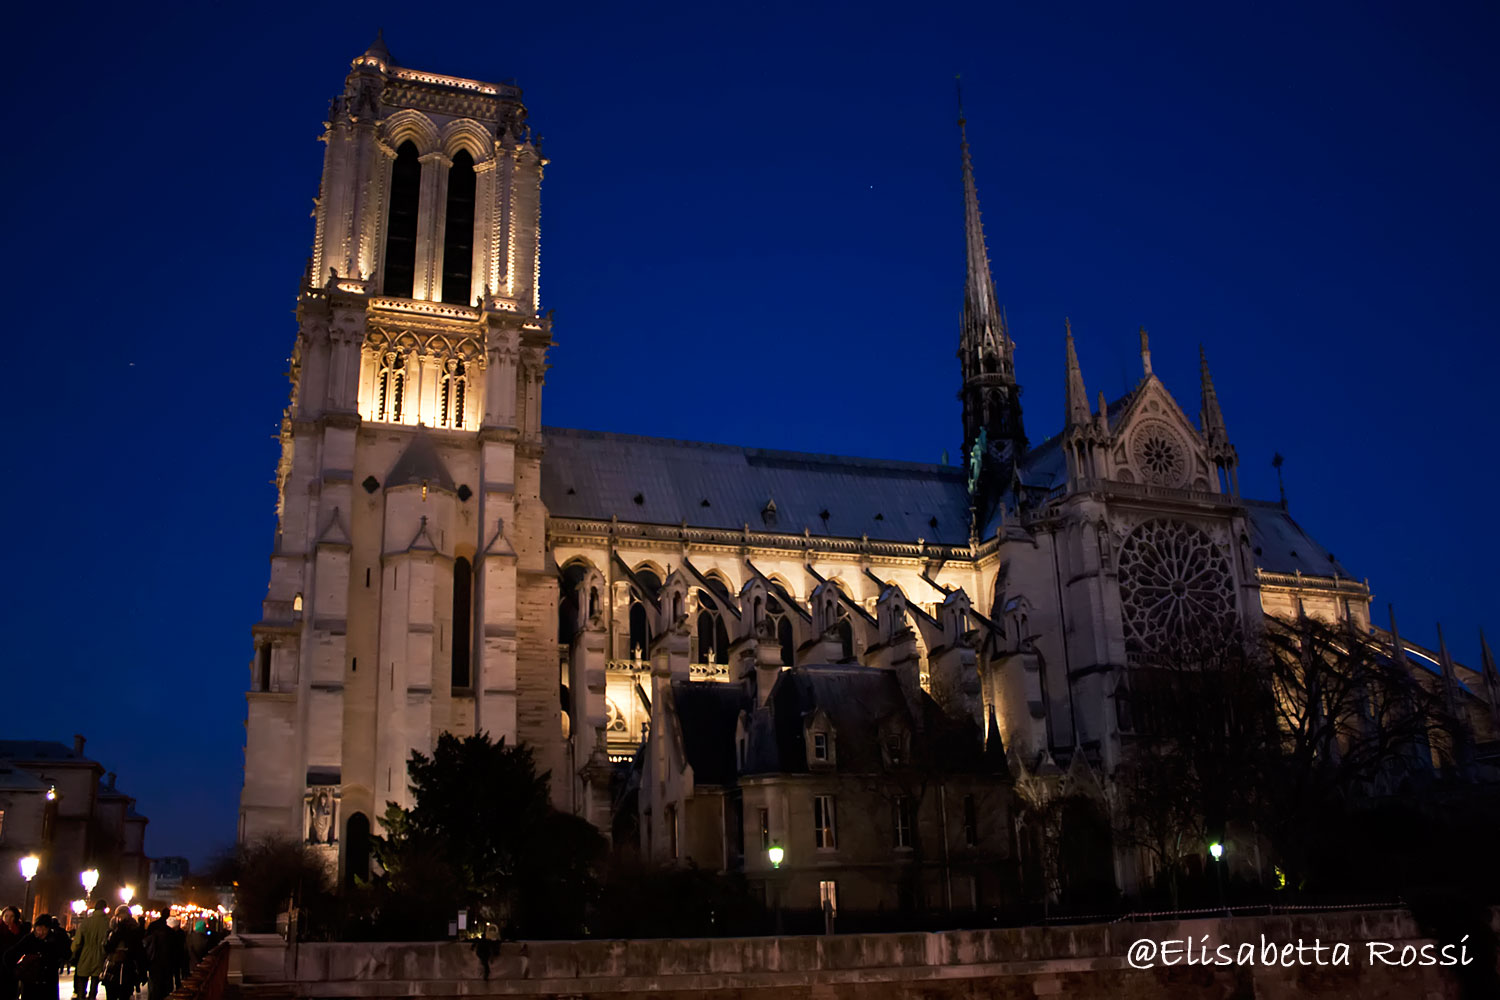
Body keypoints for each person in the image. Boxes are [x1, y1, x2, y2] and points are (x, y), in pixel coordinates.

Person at [7, 915, 65, 1000]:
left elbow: (65, 954)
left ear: (48, 929)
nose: (41, 932)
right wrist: (15, 971)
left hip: (49, 984)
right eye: (39, 929)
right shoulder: (29, 939)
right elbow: (11, 955)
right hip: (31, 983)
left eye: (44, 930)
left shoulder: (55, 940)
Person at [100, 907, 142, 1000]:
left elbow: (137, 951)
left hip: (126, 968)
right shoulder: (112, 930)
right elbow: (107, 948)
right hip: (113, 968)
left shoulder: (133, 931)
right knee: (113, 994)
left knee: (123, 994)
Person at [71, 900, 110, 1000]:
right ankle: (92, 997)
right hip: (100, 956)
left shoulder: (87, 922)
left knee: (82, 981)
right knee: (95, 982)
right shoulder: (107, 922)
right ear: (104, 908)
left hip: (85, 954)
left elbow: (78, 941)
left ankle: (81, 996)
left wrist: (73, 951)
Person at [0, 906, 26, 1000]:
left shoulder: (20, 931)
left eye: (11, 916)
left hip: (12, 971)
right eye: (6, 916)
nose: (8, 919)